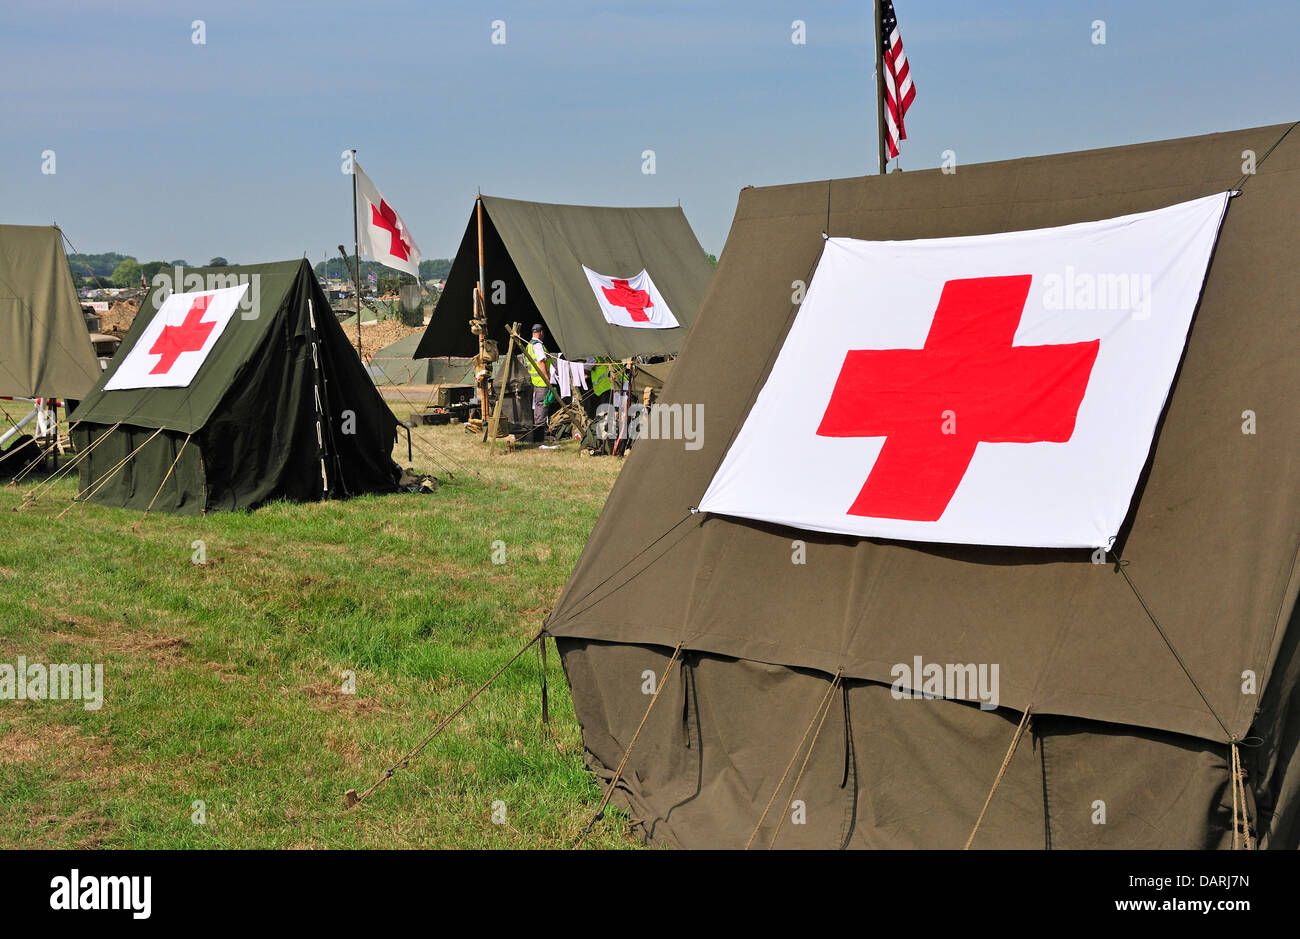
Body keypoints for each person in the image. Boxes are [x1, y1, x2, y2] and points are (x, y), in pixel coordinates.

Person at [527, 323, 551, 442]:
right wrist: (547, 379)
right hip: (541, 382)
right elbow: (541, 362)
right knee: (542, 406)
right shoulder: (538, 345)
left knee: (537, 406)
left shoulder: (529, 345)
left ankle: (538, 434)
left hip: (534, 380)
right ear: (541, 332)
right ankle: (540, 435)